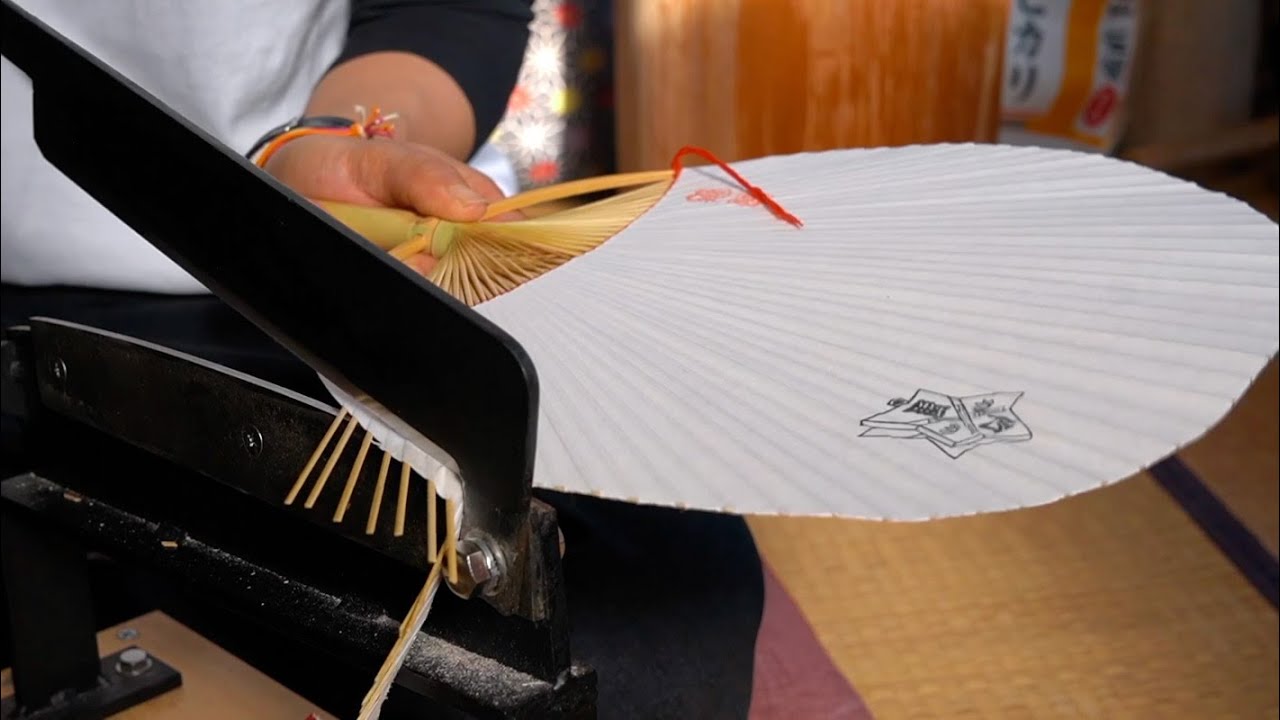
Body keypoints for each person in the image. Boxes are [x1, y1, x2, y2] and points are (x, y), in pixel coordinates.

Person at [0, 2, 784, 718]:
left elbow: (446, 10)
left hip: (315, 260)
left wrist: (327, 145)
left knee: (663, 616)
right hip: (23, 293)